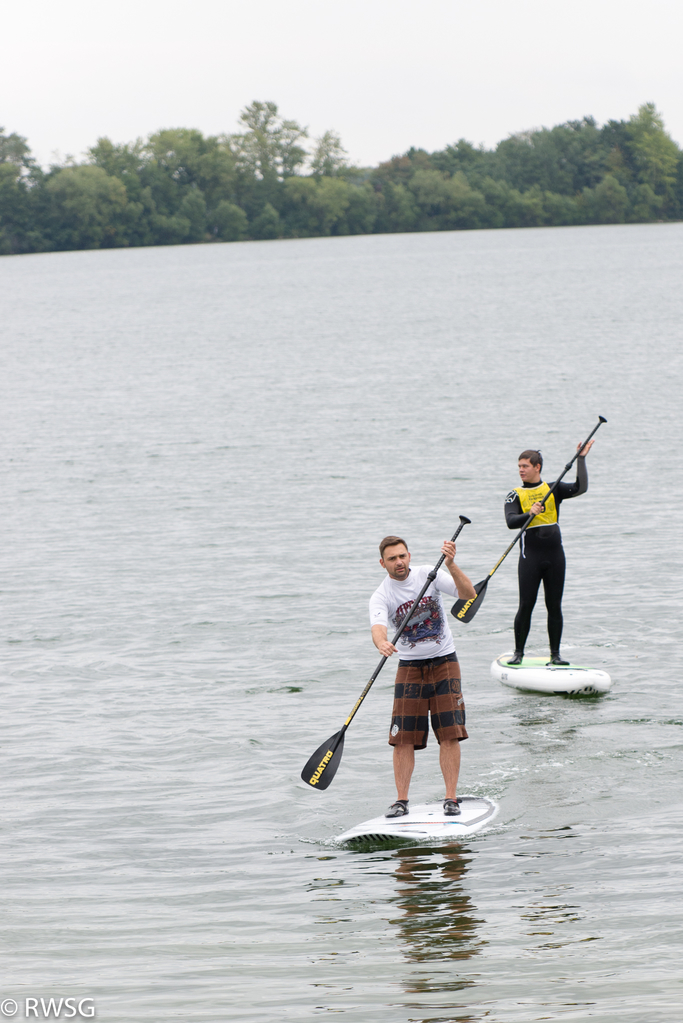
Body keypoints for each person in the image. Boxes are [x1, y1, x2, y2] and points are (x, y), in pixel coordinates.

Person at [369, 536, 476, 819]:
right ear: (383, 564)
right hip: (409, 666)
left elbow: (468, 594)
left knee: (450, 733)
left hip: (445, 662)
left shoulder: (429, 574)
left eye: (402, 556)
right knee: (402, 738)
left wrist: (451, 565)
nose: (399, 562)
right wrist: (381, 643)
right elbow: (378, 627)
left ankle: (451, 798)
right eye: (392, 559)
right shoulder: (381, 595)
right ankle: (401, 801)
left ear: (409, 556)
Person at [504, 441, 595, 666]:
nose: (521, 470)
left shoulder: (553, 490)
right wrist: (529, 514)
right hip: (530, 558)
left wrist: (580, 459)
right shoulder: (514, 495)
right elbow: (510, 521)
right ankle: (518, 653)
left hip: (555, 557)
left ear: (538, 467)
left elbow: (580, 487)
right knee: (526, 604)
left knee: (554, 605)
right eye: (519, 466)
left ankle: (555, 654)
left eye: (525, 466)